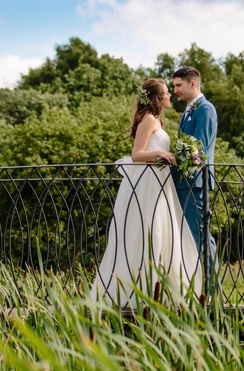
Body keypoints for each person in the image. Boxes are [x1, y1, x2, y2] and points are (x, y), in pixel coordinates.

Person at [90, 78, 203, 308]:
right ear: (157, 98)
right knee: (146, 232)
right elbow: (136, 155)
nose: (171, 95)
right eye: (166, 93)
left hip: (160, 182)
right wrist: (162, 154)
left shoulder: (157, 121)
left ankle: (163, 290)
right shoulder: (148, 120)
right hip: (148, 184)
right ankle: (135, 292)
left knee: (163, 231)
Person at [170, 66, 218, 292]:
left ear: (193, 83)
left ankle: (212, 290)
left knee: (200, 234)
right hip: (183, 183)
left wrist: (172, 158)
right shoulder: (188, 111)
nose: (175, 90)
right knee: (190, 236)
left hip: (195, 182)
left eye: (178, 85)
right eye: (174, 86)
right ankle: (197, 286)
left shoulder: (205, 109)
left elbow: (199, 150)